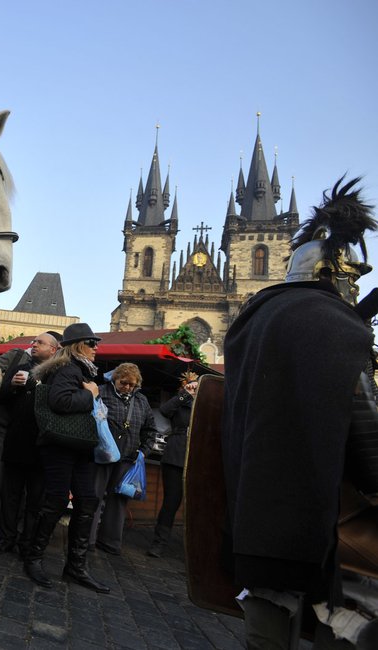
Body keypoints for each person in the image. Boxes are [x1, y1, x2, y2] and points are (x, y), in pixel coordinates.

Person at [222, 178, 376, 648]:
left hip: (253, 516)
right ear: (338, 278)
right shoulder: (333, 326)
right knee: (348, 623)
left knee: (266, 624)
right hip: (314, 524)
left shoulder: (253, 320)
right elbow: (366, 440)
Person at [21, 322, 110, 594]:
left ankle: (76, 567)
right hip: (60, 445)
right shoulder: (67, 369)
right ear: (78, 346)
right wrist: (89, 395)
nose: (96, 348)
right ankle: (33, 557)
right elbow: (60, 402)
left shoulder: (82, 369)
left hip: (79, 445)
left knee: (88, 501)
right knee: (57, 499)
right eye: (91, 343)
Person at [0, 332, 61, 555]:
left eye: (40, 342)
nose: (34, 345)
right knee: (10, 495)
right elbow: (0, 397)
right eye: (34, 341)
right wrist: (11, 385)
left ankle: (27, 541)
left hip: (42, 445)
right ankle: (6, 538)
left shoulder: (59, 373)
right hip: (17, 439)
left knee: (35, 500)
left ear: (54, 349)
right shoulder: (22, 364)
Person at [93, 362, 155, 555]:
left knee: (118, 501)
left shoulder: (142, 401)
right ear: (115, 379)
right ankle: (86, 539)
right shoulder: (101, 392)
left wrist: (143, 451)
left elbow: (150, 430)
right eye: (124, 383)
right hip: (102, 455)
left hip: (128, 457)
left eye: (132, 384)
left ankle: (110, 542)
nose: (127, 387)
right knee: (94, 497)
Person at [146, 370, 197, 557]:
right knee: (171, 501)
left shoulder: (206, 403)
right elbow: (165, 410)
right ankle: (158, 543)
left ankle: (193, 549)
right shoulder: (181, 401)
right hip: (176, 455)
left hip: (198, 459)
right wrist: (186, 394)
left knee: (196, 505)